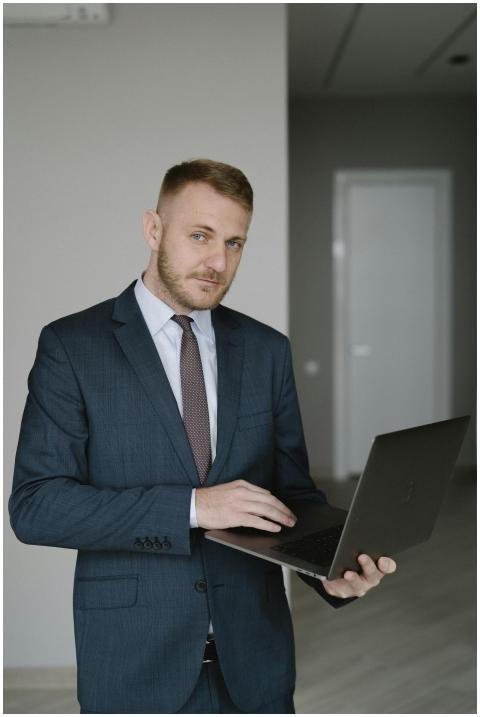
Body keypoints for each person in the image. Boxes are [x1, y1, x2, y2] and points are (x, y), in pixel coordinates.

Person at [9, 159, 397, 714]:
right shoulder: (73, 346)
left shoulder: (267, 350)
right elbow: (36, 507)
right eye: (200, 236)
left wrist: (329, 572)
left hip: (256, 659)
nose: (219, 261)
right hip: (134, 662)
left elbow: (292, 496)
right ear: (153, 229)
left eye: (235, 243)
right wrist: (192, 507)